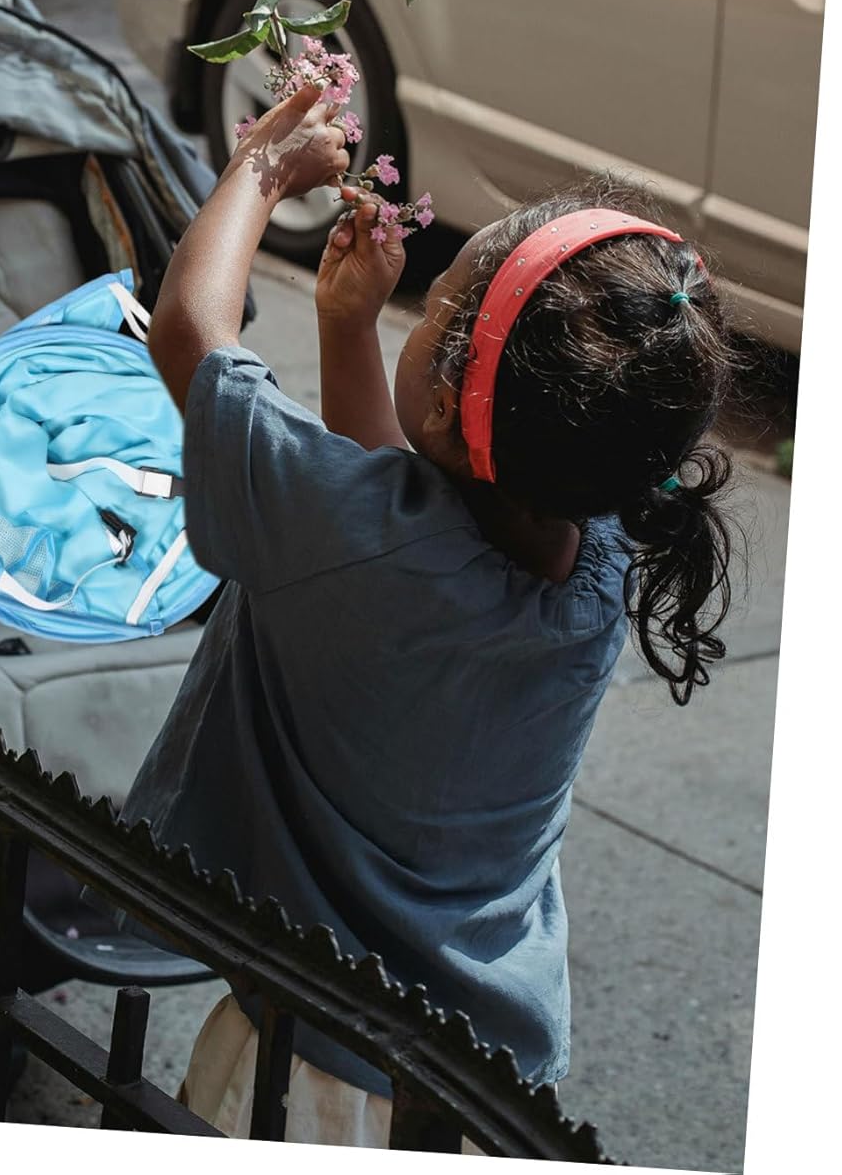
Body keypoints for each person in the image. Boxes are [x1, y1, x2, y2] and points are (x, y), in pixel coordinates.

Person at [123, 81, 739, 1146]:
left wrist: (261, 169)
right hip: (480, 1066)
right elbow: (397, 509)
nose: (424, 299)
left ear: (452, 404)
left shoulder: (364, 541)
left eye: (437, 300)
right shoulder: (593, 565)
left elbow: (189, 336)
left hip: (315, 1068)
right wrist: (349, 322)